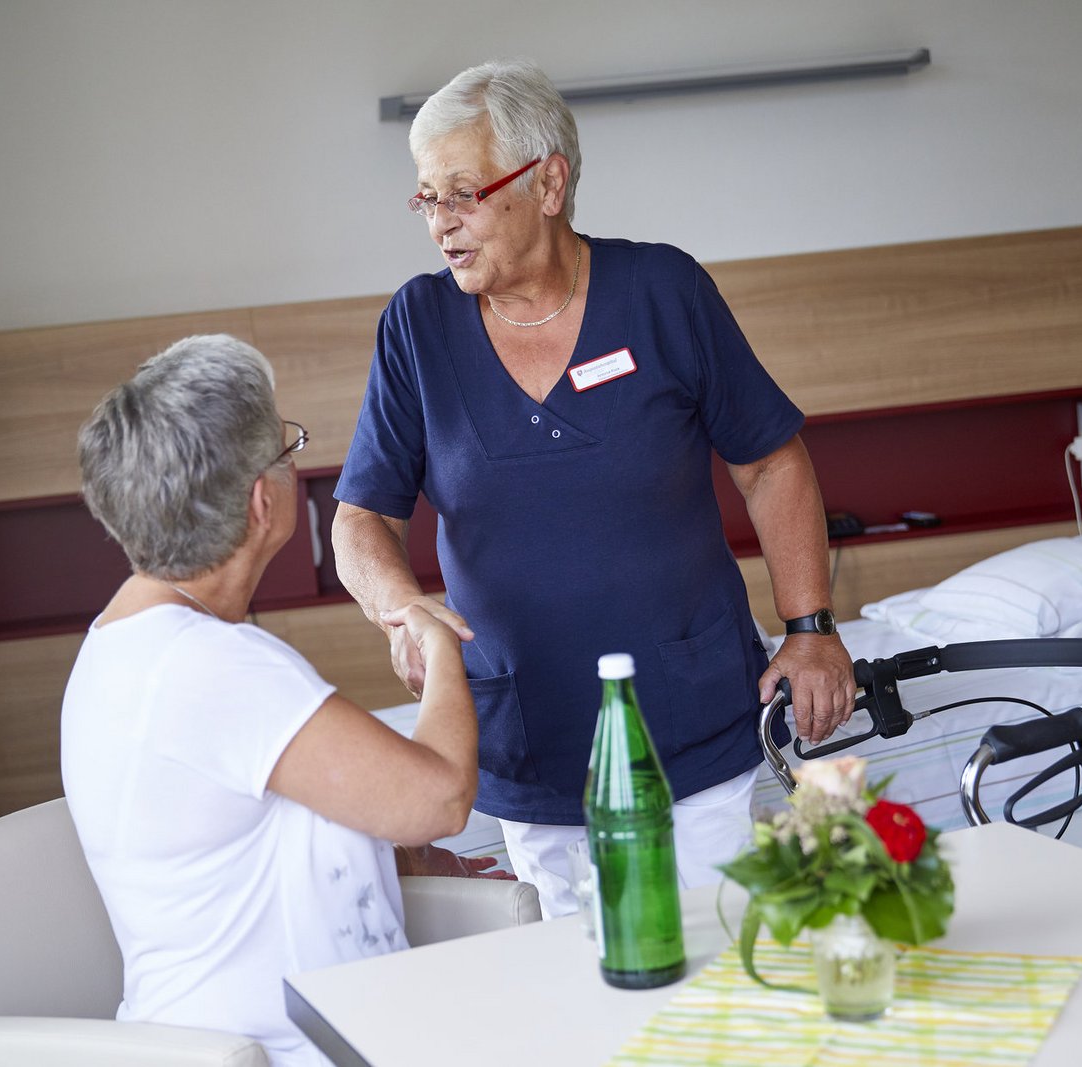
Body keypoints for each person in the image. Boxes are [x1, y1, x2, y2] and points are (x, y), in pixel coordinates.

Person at [332, 59, 856, 918]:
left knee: (717, 962)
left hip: (690, 716)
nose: (439, 224)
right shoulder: (418, 327)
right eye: (426, 198)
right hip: (530, 730)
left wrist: (809, 628)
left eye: (461, 194)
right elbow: (360, 519)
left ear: (548, 182)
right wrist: (402, 608)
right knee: (574, 1001)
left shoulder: (663, 291)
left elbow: (770, 461)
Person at [61, 334, 504, 1067]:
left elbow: (264, 822)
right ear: (263, 501)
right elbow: (442, 795)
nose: (295, 464)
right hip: (287, 1050)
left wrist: (412, 861)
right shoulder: (217, 666)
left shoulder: (124, 642)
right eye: (287, 446)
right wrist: (439, 639)